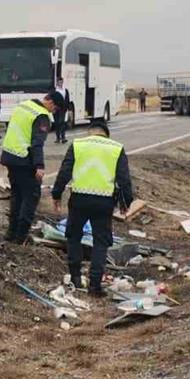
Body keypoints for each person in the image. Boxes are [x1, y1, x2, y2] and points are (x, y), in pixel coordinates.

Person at [50, 118, 133, 295]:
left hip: (79, 199)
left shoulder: (78, 144)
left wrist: (56, 194)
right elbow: (124, 179)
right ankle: (95, 285)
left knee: (74, 237)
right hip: (104, 202)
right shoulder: (116, 148)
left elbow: (65, 171)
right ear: (106, 134)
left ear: (90, 130)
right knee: (100, 242)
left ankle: (75, 279)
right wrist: (126, 203)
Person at [1, 91, 61, 243]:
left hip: (9, 156)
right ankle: (21, 237)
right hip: (24, 159)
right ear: (51, 103)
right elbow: (37, 143)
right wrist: (39, 165)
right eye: (55, 109)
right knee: (31, 196)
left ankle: (11, 232)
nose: (53, 112)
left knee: (17, 195)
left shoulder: (24, 105)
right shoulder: (41, 116)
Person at [53, 77, 71, 143]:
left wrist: (68, 109)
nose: (60, 83)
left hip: (63, 109)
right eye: (59, 82)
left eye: (61, 82)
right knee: (57, 123)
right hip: (56, 109)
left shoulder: (65, 90)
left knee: (62, 122)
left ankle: (63, 137)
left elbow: (67, 99)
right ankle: (58, 138)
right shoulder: (54, 90)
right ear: (57, 82)